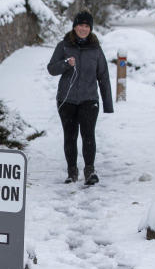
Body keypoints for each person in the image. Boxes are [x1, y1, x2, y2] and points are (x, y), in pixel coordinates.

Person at [46, 10, 113, 185]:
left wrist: (107, 104)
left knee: (88, 135)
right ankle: (72, 172)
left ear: (90, 28)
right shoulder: (64, 46)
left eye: (86, 26)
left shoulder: (96, 49)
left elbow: (103, 77)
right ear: (74, 26)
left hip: (89, 100)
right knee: (70, 136)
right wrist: (66, 64)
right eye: (80, 25)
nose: (83, 29)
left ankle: (89, 171)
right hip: (66, 100)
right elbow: (51, 69)